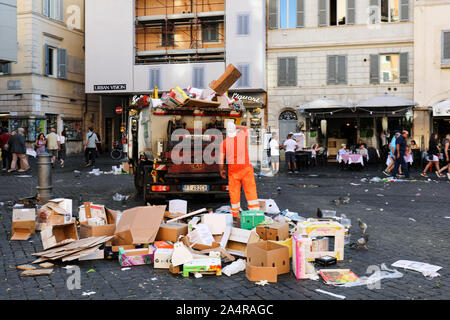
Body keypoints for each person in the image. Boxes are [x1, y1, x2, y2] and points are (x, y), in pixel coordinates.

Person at [219, 121, 259, 218]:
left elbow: (220, 159)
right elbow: (248, 128)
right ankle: (254, 214)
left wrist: (222, 170)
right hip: (246, 169)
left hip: (233, 172)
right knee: (250, 191)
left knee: (234, 193)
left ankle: (235, 215)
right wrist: (236, 125)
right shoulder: (241, 137)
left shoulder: (224, 143)